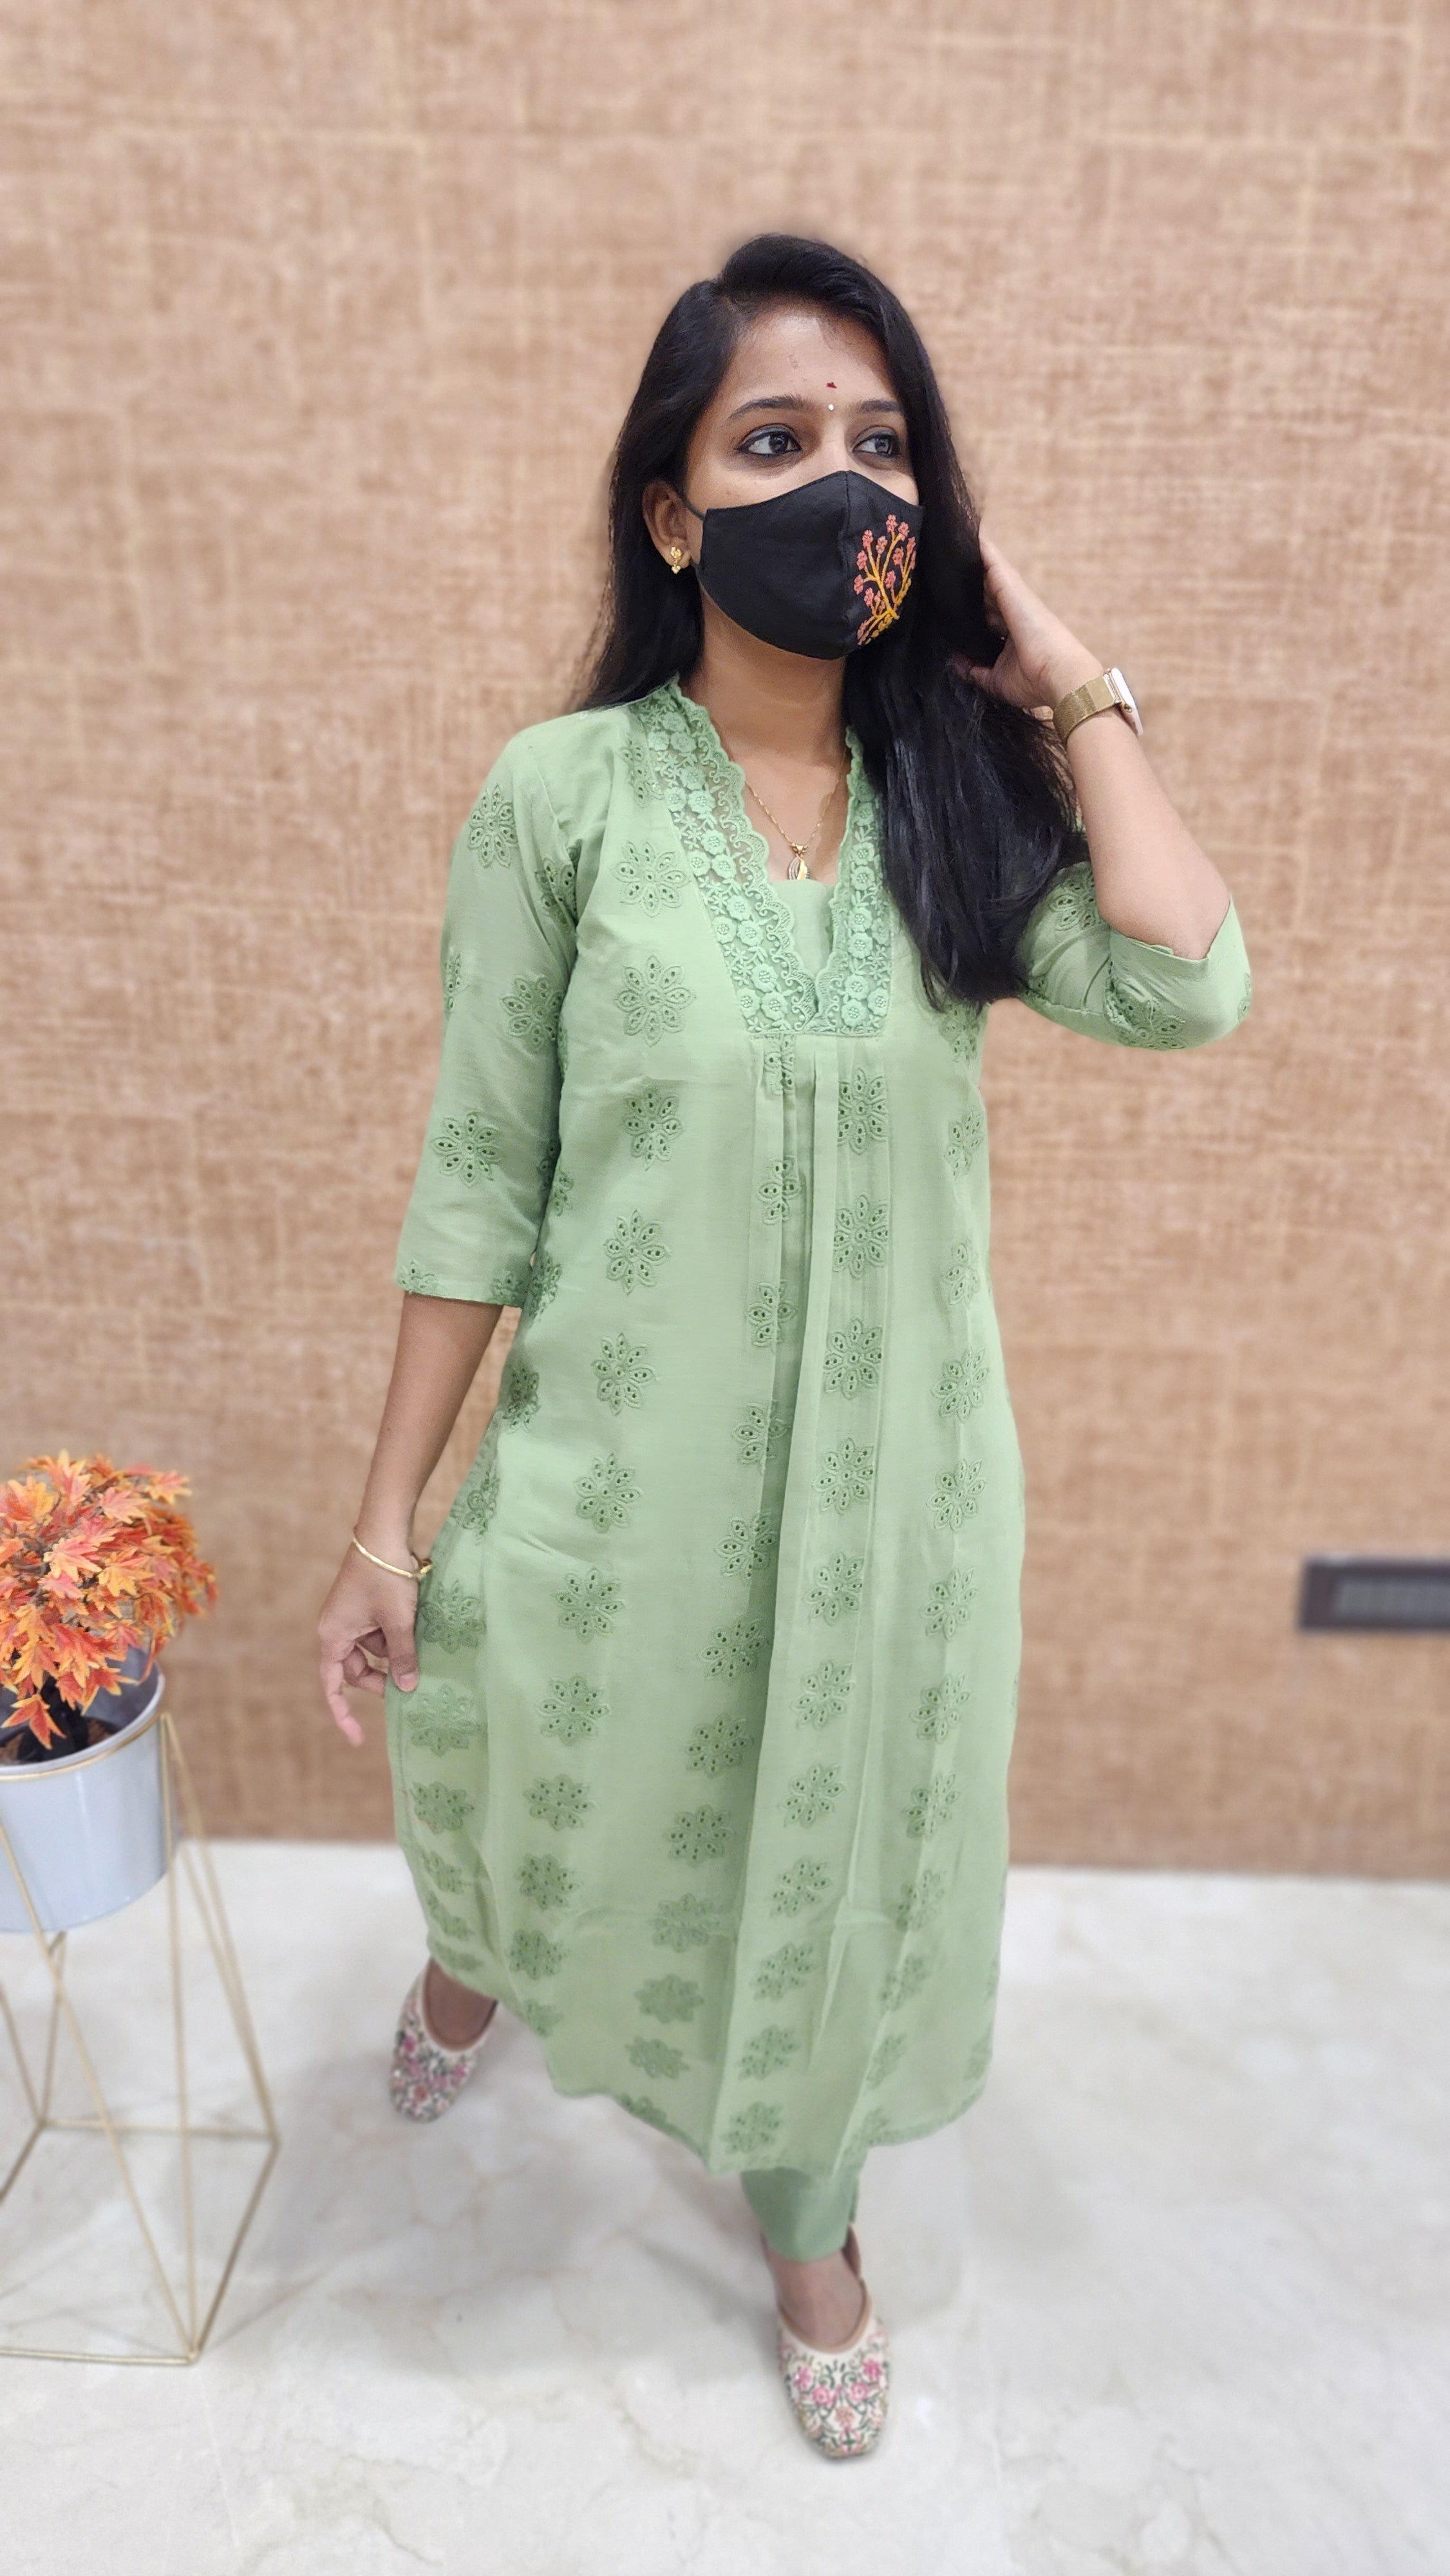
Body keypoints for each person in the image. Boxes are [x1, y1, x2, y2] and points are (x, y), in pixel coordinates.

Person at [316, 232, 1251, 2460]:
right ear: (673, 511)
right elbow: (481, 1176)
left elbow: (1186, 980)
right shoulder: (561, 802)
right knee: (540, 1757)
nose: (842, 486)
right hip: (624, 1473)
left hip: (892, 1495)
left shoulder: (955, 808)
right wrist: (384, 1522)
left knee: (824, 1851)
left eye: (880, 445)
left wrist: (1065, 682)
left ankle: (808, 2223)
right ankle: (481, 1958)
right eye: (774, 440)